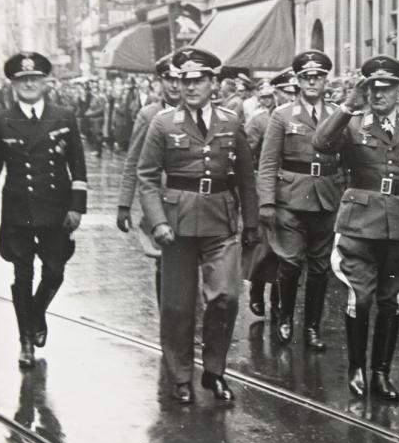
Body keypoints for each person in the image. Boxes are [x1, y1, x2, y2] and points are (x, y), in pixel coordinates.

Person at [313, 54, 399, 401]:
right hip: (358, 226)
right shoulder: (352, 125)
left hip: (398, 229)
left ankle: (381, 373)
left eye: (386, 88)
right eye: (372, 87)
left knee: (390, 301)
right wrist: (346, 106)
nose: (378, 94)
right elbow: (321, 144)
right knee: (361, 297)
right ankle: (356, 368)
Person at [137, 46, 259, 404]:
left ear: (213, 83)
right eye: (184, 81)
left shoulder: (230, 121)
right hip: (175, 225)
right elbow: (146, 177)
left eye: (199, 81)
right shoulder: (162, 123)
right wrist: (157, 221)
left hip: (221, 220)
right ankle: (179, 375)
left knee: (225, 297)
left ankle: (214, 371)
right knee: (177, 305)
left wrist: (251, 223)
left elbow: (246, 178)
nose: (190, 88)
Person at [0, 52, 87, 368]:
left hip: (56, 211)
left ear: (45, 83)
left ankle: (35, 314)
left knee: (55, 271)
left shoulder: (64, 117)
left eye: (35, 79)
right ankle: (26, 341)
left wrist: (77, 208)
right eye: (22, 80)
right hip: (18, 211)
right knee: (22, 274)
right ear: (13, 84)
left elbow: (78, 167)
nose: (29, 84)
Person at [256, 50, 344, 350]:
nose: (312, 82)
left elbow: (347, 159)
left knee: (320, 268)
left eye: (317, 77)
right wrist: (266, 202)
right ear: (298, 81)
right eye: (306, 77)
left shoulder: (338, 115)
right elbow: (268, 161)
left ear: (325, 81)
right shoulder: (282, 116)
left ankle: (312, 327)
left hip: (327, 199)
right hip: (290, 200)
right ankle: (284, 317)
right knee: (291, 262)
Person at [115, 54, 182, 305]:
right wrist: (124, 205)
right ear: (160, 81)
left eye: (179, 79)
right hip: (162, 201)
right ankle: (168, 321)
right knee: (164, 263)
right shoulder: (149, 114)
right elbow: (133, 161)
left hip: (193, 200)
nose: (174, 85)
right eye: (168, 79)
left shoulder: (201, 113)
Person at [244, 72, 298, 317]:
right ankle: (256, 291)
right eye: (285, 91)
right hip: (265, 187)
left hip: (291, 189)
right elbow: (247, 155)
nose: (291, 96)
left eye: (293, 91)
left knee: (287, 249)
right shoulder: (259, 120)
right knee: (265, 247)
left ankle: (278, 300)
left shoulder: (300, 118)